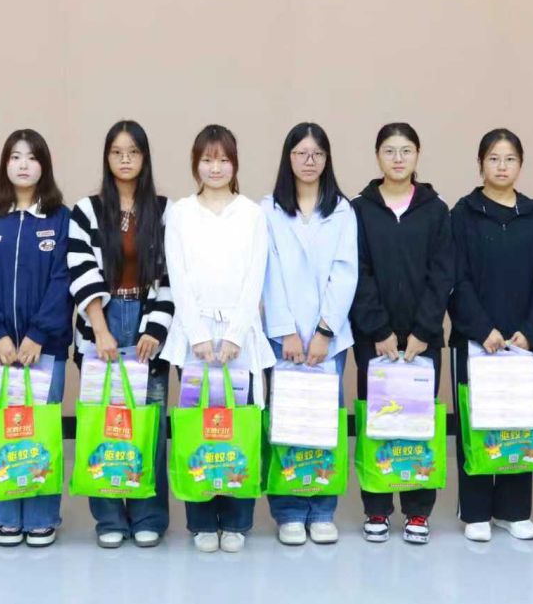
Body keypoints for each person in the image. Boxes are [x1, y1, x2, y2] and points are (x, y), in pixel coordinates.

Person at [161, 124, 273, 554]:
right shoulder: (181, 213)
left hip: (240, 340)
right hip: (194, 340)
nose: (215, 168)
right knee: (200, 429)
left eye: (223, 160)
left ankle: (238, 521)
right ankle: (202, 521)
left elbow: (255, 276)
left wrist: (235, 335)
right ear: (196, 164)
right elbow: (178, 274)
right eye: (207, 159)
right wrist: (198, 335)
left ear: (235, 164)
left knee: (238, 430)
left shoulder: (251, 213)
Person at [68, 120, 175, 548]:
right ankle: (109, 519)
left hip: (150, 323)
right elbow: (80, 269)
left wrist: (155, 329)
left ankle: (149, 515)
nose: (125, 159)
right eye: (117, 152)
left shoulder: (165, 211)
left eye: (133, 151)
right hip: (102, 321)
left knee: (150, 426)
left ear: (145, 157)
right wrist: (100, 329)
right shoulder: (87, 210)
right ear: (107, 157)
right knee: (104, 423)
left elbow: (172, 275)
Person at [0, 129, 73, 547]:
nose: (23, 164)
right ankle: (5, 514)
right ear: (4, 164)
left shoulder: (60, 218)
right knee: (4, 427)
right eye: (15, 156)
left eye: (31, 157)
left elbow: (63, 279)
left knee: (40, 429)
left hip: (45, 348)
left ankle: (42, 515)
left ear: (44, 165)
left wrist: (39, 334)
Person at [448, 128, 533, 542]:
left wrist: (530, 332)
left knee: (518, 420)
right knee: (477, 421)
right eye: (493, 158)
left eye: (510, 159)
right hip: (476, 340)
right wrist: (482, 329)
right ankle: (476, 511)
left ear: (520, 165)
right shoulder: (463, 213)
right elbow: (457, 278)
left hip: (523, 343)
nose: (502, 166)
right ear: (480, 164)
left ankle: (514, 510)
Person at [347, 122, 452, 545]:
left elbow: (443, 273)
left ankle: (417, 510)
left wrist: (424, 331)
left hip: (423, 340)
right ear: (377, 156)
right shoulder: (359, 209)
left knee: (417, 422)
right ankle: (376, 507)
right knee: (378, 421)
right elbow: (357, 272)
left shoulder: (436, 210)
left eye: (406, 150)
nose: (397, 158)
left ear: (417, 155)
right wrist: (379, 330)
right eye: (389, 150)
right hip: (374, 340)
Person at [262, 122, 358, 546]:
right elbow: (268, 274)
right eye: (301, 153)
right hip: (282, 337)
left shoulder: (342, 211)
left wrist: (323, 332)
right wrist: (286, 331)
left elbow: (345, 273)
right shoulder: (268, 210)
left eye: (317, 154)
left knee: (322, 420)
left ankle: (322, 509)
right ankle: (287, 511)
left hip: (328, 339)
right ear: (288, 158)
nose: (309, 161)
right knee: (286, 420)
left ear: (327, 160)